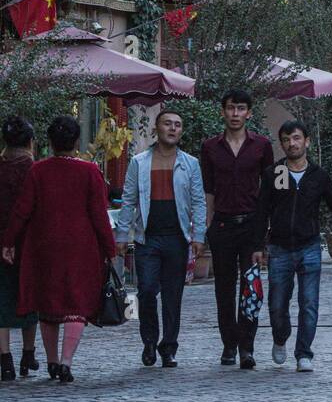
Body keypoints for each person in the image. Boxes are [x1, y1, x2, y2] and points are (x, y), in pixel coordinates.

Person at [1, 115, 115, 384]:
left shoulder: (37, 171)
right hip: (80, 245)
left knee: (48, 304)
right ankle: (66, 361)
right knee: (75, 303)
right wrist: (109, 248)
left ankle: (51, 360)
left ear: (49, 143)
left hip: (43, 245)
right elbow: (99, 214)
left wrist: (8, 241)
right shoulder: (89, 172)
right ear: (76, 142)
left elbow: (22, 210)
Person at [253, 119, 332, 372]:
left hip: (309, 246)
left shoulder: (318, 176)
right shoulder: (275, 173)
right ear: (282, 144)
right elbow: (261, 211)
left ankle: (304, 353)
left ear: (306, 141)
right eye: (287, 139)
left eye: (297, 138)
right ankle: (280, 337)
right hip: (279, 248)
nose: (292, 143)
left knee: (309, 302)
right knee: (278, 303)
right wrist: (257, 246)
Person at [115, 107, 206, 368]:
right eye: (167, 123)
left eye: (177, 124)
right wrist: (122, 235)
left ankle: (169, 347)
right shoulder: (139, 162)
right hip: (148, 238)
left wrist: (198, 234)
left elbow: (199, 201)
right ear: (157, 128)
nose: (173, 128)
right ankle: (148, 342)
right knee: (145, 292)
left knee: (172, 295)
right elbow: (129, 200)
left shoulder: (190, 164)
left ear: (181, 130)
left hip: (177, 238)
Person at [201, 89, 274, 369]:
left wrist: (266, 230)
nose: (235, 114)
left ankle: (247, 346)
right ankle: (228, 345)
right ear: (223, 111)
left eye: (241, 109)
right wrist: (206, 227)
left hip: (251, 226)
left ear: (249, 113)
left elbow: (269, 189)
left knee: (251, 287)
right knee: (223, 288)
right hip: (221, 225)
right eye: (231, 108)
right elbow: (207, 189)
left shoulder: (261, 145)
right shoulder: (210, 147)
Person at [0, 116, 38, 379]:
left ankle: (5, 359)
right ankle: (28, 353)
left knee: (1, 299)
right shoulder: (34, 169)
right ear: (30, 142)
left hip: (0, 240)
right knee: (28, 296)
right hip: (29, 240)